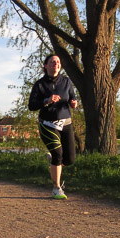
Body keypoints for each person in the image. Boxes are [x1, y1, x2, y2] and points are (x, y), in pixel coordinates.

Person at [28, 53, 78, 199]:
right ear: (45, 66)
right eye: (52, 62)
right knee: (58, 154)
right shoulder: (39, 84)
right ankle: (57, 188)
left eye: (58, 62)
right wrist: (46, 101)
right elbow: (31, 106)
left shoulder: (66, 81)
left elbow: (72, 97)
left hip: (66, 123)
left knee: (69, 160)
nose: (56, 64)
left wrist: (73, 103)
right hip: (48, 124)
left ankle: (53, 163)